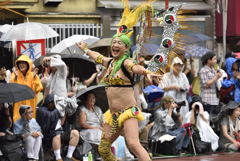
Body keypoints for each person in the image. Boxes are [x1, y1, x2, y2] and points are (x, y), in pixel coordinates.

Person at [77, 30, 160, 161]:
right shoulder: (110, 63)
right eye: (114, 42)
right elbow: (98, 56)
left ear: (126, 48)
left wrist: (145, 72)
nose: (115, 44)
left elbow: (134, 67)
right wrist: (86, 49)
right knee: (103, 148)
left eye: (119, 43)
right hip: (113, 115)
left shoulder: (125, 62)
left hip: (128, 112)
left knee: (133, 144)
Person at [36, 94, 79, 161]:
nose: (54, 104)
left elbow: (62, 123)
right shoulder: (41, 110)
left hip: (60, 131)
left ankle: (69, 156)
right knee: (57, 134)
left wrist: (65, 111)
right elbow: (50, 119)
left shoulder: (57, 109)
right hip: (48, 134)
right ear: (48, 102)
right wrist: (58, 110)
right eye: (53, 103)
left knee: (75, 133)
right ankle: (58, 158)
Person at [10, 55, 43, 122]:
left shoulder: (33, 75)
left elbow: (38, 89)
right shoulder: (14, 75)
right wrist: (15, 78)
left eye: (23, 63)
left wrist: (34, 78)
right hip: (19, 105)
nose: (21, 65)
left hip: (30, 104)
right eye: (20, 63)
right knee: (18, 124)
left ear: (28, 64)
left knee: (30, 126)